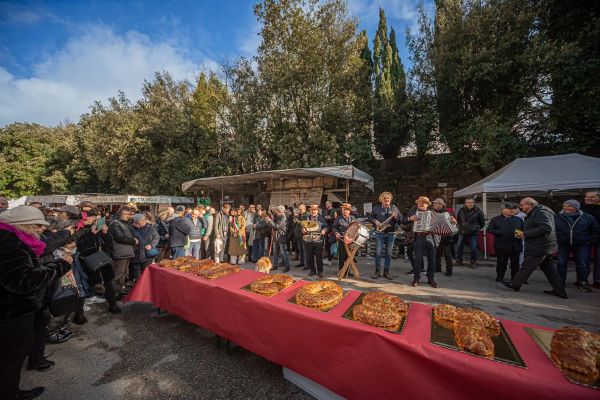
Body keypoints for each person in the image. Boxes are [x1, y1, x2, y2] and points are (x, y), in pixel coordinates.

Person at [0, 206, 71, 400]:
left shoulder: (14, 240)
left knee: (13, 355)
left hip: (16, 310)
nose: (42, 230)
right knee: (11, 357)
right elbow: (24, 281)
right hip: (13, 313)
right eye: (38, 225)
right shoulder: (10, 245)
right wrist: (61, 264)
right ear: (22, 225)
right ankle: (10, 393)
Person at [502, 197, 567, 298]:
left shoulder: (541, 212)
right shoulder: (539, 211)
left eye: (521, 205)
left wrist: (525, 234)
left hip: (540, 245)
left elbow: (546, 228)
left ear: (529, 205)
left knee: (527, 265)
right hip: (544, 245)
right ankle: (560, 290)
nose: (520, 207)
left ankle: (515, 284)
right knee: (549, 269)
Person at [555, 199, 600, 292]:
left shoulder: (587, 217)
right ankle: (560, 283)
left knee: (582, 264)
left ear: (576, 207)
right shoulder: (558, 216)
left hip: (582, 244)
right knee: (561, 263)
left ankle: (582, 283)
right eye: (565, 206)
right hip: (563, 243)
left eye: (569, 206)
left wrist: (590, 241)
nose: (566, 208)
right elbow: (552, 229)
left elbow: (596, 230)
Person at [405, 197, 438, 288]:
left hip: (430, 237)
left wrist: (453, 223)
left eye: (424, 202)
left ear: (427, 204)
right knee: (418, 259)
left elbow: (440, 225)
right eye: (420, 202)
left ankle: (431, 278)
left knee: (432, 259)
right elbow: (403, 222)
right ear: (417, 204)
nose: (422, 203)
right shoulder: (412, 212)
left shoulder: (433, 214)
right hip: (418, 237)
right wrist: (410, 219)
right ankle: (416, 278)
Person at [487, 203, 524, 282]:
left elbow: (523, 229)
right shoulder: (496, 219)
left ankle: (514, 278)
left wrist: (521, 234)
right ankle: (500, 277)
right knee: (501, 262)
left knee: (515, 263)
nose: (511, 210)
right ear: (503, 210)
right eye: (508, 209)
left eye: (512, 209)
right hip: (502, 244)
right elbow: (489, 229)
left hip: (515, 245)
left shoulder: (518, 219)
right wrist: (499, 232)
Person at [368, 192, 401, 280]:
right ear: (381, 200)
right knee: (378, 252)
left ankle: (386, 271)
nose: (386, 200)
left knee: (389, 253)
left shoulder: (394, 208)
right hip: (379, 233)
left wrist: (395, 217)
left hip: (391, 233)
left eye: (388, 198)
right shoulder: (376, 208)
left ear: (390, 200)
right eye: (384, 198)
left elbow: (401, 220)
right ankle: (377, 271)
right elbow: (369, 217)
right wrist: (375, 221)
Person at [107, 206, 137, 298]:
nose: (128, 216)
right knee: (118, 274)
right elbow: (119, 237)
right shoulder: (115, 223)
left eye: (129, 214)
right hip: (120, 252)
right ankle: (113, 295)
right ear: (120, 214)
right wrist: (133, 241)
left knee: (124, 273)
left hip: (126, 252)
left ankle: (119, 291)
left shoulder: (125, 223)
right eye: (126, 214)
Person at [456, 198, 485, 268]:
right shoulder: (461, 210)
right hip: (462, 231)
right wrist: (461, 226)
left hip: (473, 232)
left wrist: (476, 228)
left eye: (472, 202)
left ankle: (473, 262)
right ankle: (459, 261)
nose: (471, 203)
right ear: (465, 203)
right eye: (469, 202)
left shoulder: (478, 211)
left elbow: (482, 223)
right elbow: (458, 220)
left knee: (473, 248)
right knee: (459, 246)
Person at [130, 213, 160, 282]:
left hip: (147, 255)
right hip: (136, 254)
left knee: (146, 274)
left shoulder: (150, 228)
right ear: (136, 222)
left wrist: (151, 245)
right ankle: (138, 289)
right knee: (137, 275)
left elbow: (157, 237)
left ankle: (146, 288)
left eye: (144, 219)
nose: (144, 221)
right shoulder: (130, 228)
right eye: (142, 220)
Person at [432, 198, 456, 277]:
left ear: (440, 205)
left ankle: (449, 270)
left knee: (447, 253)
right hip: (435, 235)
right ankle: (437, 268)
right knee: (437, 253)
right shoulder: (431, 213)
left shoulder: (448, 213)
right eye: (434, 203)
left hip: (446, 235)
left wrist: (454, 222)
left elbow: (454, 226)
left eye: (436, 203)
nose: (434, 205)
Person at [581, 191, 600, 289]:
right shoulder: (581, 209)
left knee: (599, 260)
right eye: (587, 197)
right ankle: (583, 280)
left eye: (592, 197)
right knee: (584, 260)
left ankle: (597, 280)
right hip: (585, 238)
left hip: (598, 238)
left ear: (598, 198)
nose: (589, 198)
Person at [302, 204, 327, 278]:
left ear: (317, 210)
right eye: (312, 210)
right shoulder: (307, 218)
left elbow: (326, 226)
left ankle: (320, 271)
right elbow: (303, 227)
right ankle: (312, 270)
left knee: (319, 257)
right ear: (310, 211)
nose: (313, 211)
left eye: (315, 210)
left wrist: (324, 230)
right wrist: (303, 229)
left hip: (318, 240)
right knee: (309, 256)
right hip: (308, 240)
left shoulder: (321, 218)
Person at [332, 203, 357, 276]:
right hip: (341, 240)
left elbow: (357, 227)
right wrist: (336, 233)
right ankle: (341, 271)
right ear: (342, 210)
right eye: (344, 209)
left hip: (350, 241)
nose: (345, 211)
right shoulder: (339, 218)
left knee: (349, 257)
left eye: (347, 210)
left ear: (349, 211)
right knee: (342, 257)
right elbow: (334, 227)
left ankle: (348, 271)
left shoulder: (353, 219)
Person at [266, 205, 290, 272]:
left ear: (281, 211)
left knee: (283, 253)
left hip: (281, 237)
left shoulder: (283, 218)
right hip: (276, 237)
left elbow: (277, 226)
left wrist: (270, 221)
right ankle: (275, 265)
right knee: (275, 253)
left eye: (277, 211)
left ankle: (287, 266)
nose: (276, 213)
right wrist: (269, 221)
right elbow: (273, 225)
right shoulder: (278, 217)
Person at [293, 204, 308, 268]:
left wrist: (298, 222)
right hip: (298, 235)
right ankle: (302, 262)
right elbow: (295, 224)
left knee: (305, 250)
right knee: (300, 249)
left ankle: (307, 264)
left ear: (304, 209)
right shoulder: (299, 215)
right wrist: (294, 220)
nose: (299, 210)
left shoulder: (307, 216)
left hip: (304, 235)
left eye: (301, 209)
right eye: (299, 209)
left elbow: (305, 224)